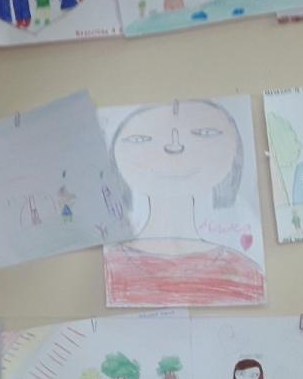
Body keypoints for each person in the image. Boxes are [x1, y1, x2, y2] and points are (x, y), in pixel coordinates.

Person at [103, 100, 265, 306]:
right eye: (141, 139)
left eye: (204, 133)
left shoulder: (246, 274)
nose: (174, 146)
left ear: (235, 153)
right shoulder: (109, 270)